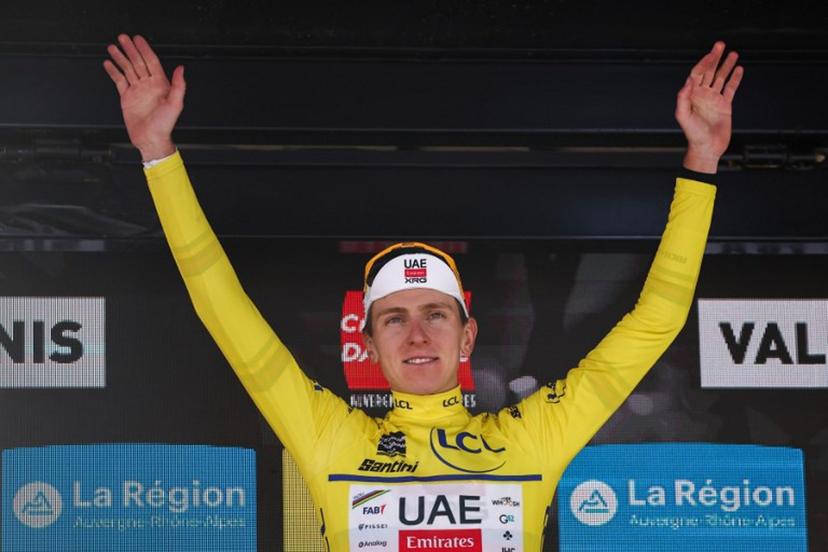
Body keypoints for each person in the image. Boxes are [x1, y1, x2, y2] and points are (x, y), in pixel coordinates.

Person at [104, 35, 743, 551]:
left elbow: (656, 321)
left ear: (467, 334)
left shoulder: (530, 440)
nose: (416, 334)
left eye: (436, 315)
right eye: (395, 320)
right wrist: (157, 153)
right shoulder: (333, 440)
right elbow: (221, 307)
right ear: (368, 339)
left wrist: (703, 163)